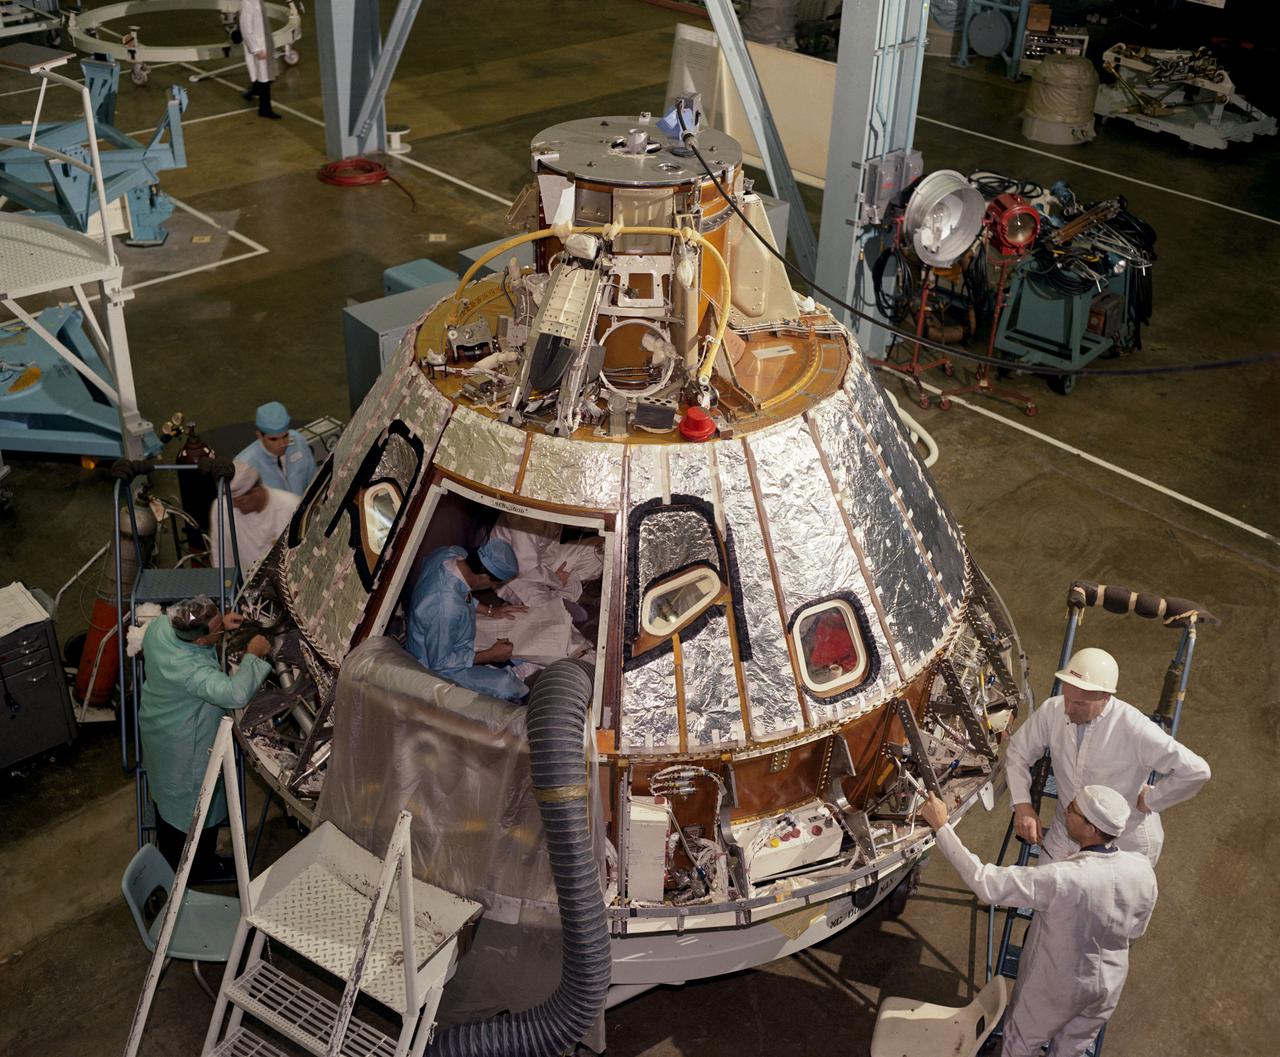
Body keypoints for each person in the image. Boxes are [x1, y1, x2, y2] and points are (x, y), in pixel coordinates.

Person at [921, 785, 1157, 1057]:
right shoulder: (1141, 868)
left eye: (1073, 811)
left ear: (1091, 829)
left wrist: (942, 828)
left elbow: (985, 883)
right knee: (1071, 1051)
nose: (1066, 811)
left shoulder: (1065, 878)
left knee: (1018, 1044)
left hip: (1058, 986)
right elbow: (1136, 930)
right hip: (1108, 986)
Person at [1007, 646, 1210, 866]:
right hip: (1068, 832)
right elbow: (1017, 752)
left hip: (1122, 844)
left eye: (1080, 703)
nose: (1068, 709)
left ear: (1105, 696)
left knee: (1102, 899)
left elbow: (1196, 771)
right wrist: (1022, 804)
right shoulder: (1052, 710)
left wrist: (1152, 800)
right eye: (1067, 697)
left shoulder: (1134, 728)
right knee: (1045, 893)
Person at [139, 596, 272, 879]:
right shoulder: (192, 672)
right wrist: (253, 655)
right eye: (216, 632)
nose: (220, 631)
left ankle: (174, 858)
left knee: (168, 803)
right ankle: (195, 869)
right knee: (196, 808)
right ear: (199, 640)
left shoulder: (160, 627)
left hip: (159, 730)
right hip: (187, 748)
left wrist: (218, 622)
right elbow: (236, 694)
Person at [405, 538, 529, 701]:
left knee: (520, 647)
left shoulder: (452, 553)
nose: (493, 589)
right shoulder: (445, 608)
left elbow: (461, 593)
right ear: (484, 577)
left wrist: (491, 611)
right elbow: (440, 662)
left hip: (448, 631)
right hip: (434, 662)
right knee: (508, 687)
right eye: (495, 584)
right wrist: (489, 655)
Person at [488, 512, 604, 616]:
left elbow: (549, 551)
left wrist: (553, 576)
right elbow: (527, 568)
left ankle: (566, 589)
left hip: (546, 565)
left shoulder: (549, 505)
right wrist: (556, 580)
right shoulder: (525, 517)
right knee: (545, 608)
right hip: (514, 577)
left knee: (599, 549)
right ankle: (564, 593)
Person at [210, 461, 300, 574]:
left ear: (256, 491)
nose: (234, 506)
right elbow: (221, 560)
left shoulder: (291, 506)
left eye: (240, 500)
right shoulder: (221, 508)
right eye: (232, 501)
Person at [235, 401, 317, 496]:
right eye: (273, 439)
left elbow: (314, 479)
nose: (282, 444)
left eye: (285, 436)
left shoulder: (298, 441)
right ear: (259, 436)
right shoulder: (244, 464)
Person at [238, 0, 282, 119]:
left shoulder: (258, 2)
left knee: (267, 75)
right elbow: (246, 29)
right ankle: (264, 109)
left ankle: (252, 92)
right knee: (265, 78)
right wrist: (256, 49)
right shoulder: (248, 3)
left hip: (264, 44)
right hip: (259, 47)